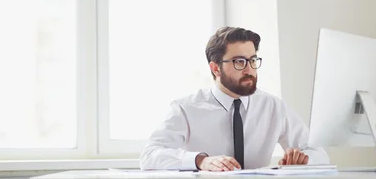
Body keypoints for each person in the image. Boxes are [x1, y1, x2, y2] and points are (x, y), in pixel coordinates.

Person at [139, 26, 329, 171]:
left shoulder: (273, 107)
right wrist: (201, 161)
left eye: (253, 60)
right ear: (215, 68)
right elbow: (149, 156)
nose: (249, 69)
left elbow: (319, 154)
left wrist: (304, 160)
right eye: (239, 61)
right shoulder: (185, 108)